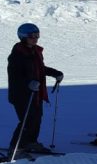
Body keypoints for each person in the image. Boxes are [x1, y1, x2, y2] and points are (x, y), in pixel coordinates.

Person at [7, 23, 63, 156]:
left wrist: (55, 73)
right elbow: (15, 76)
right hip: (21, 95)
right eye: (32, 36)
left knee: (37, 119)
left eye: (37, 35)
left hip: (36, 93)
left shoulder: (35, 51)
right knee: (27, 121)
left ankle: (31, 141)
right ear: (23, 37)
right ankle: (15, 148)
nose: (35, 38)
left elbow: (39, 68)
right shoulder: (17, 55)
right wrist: (28, 83)